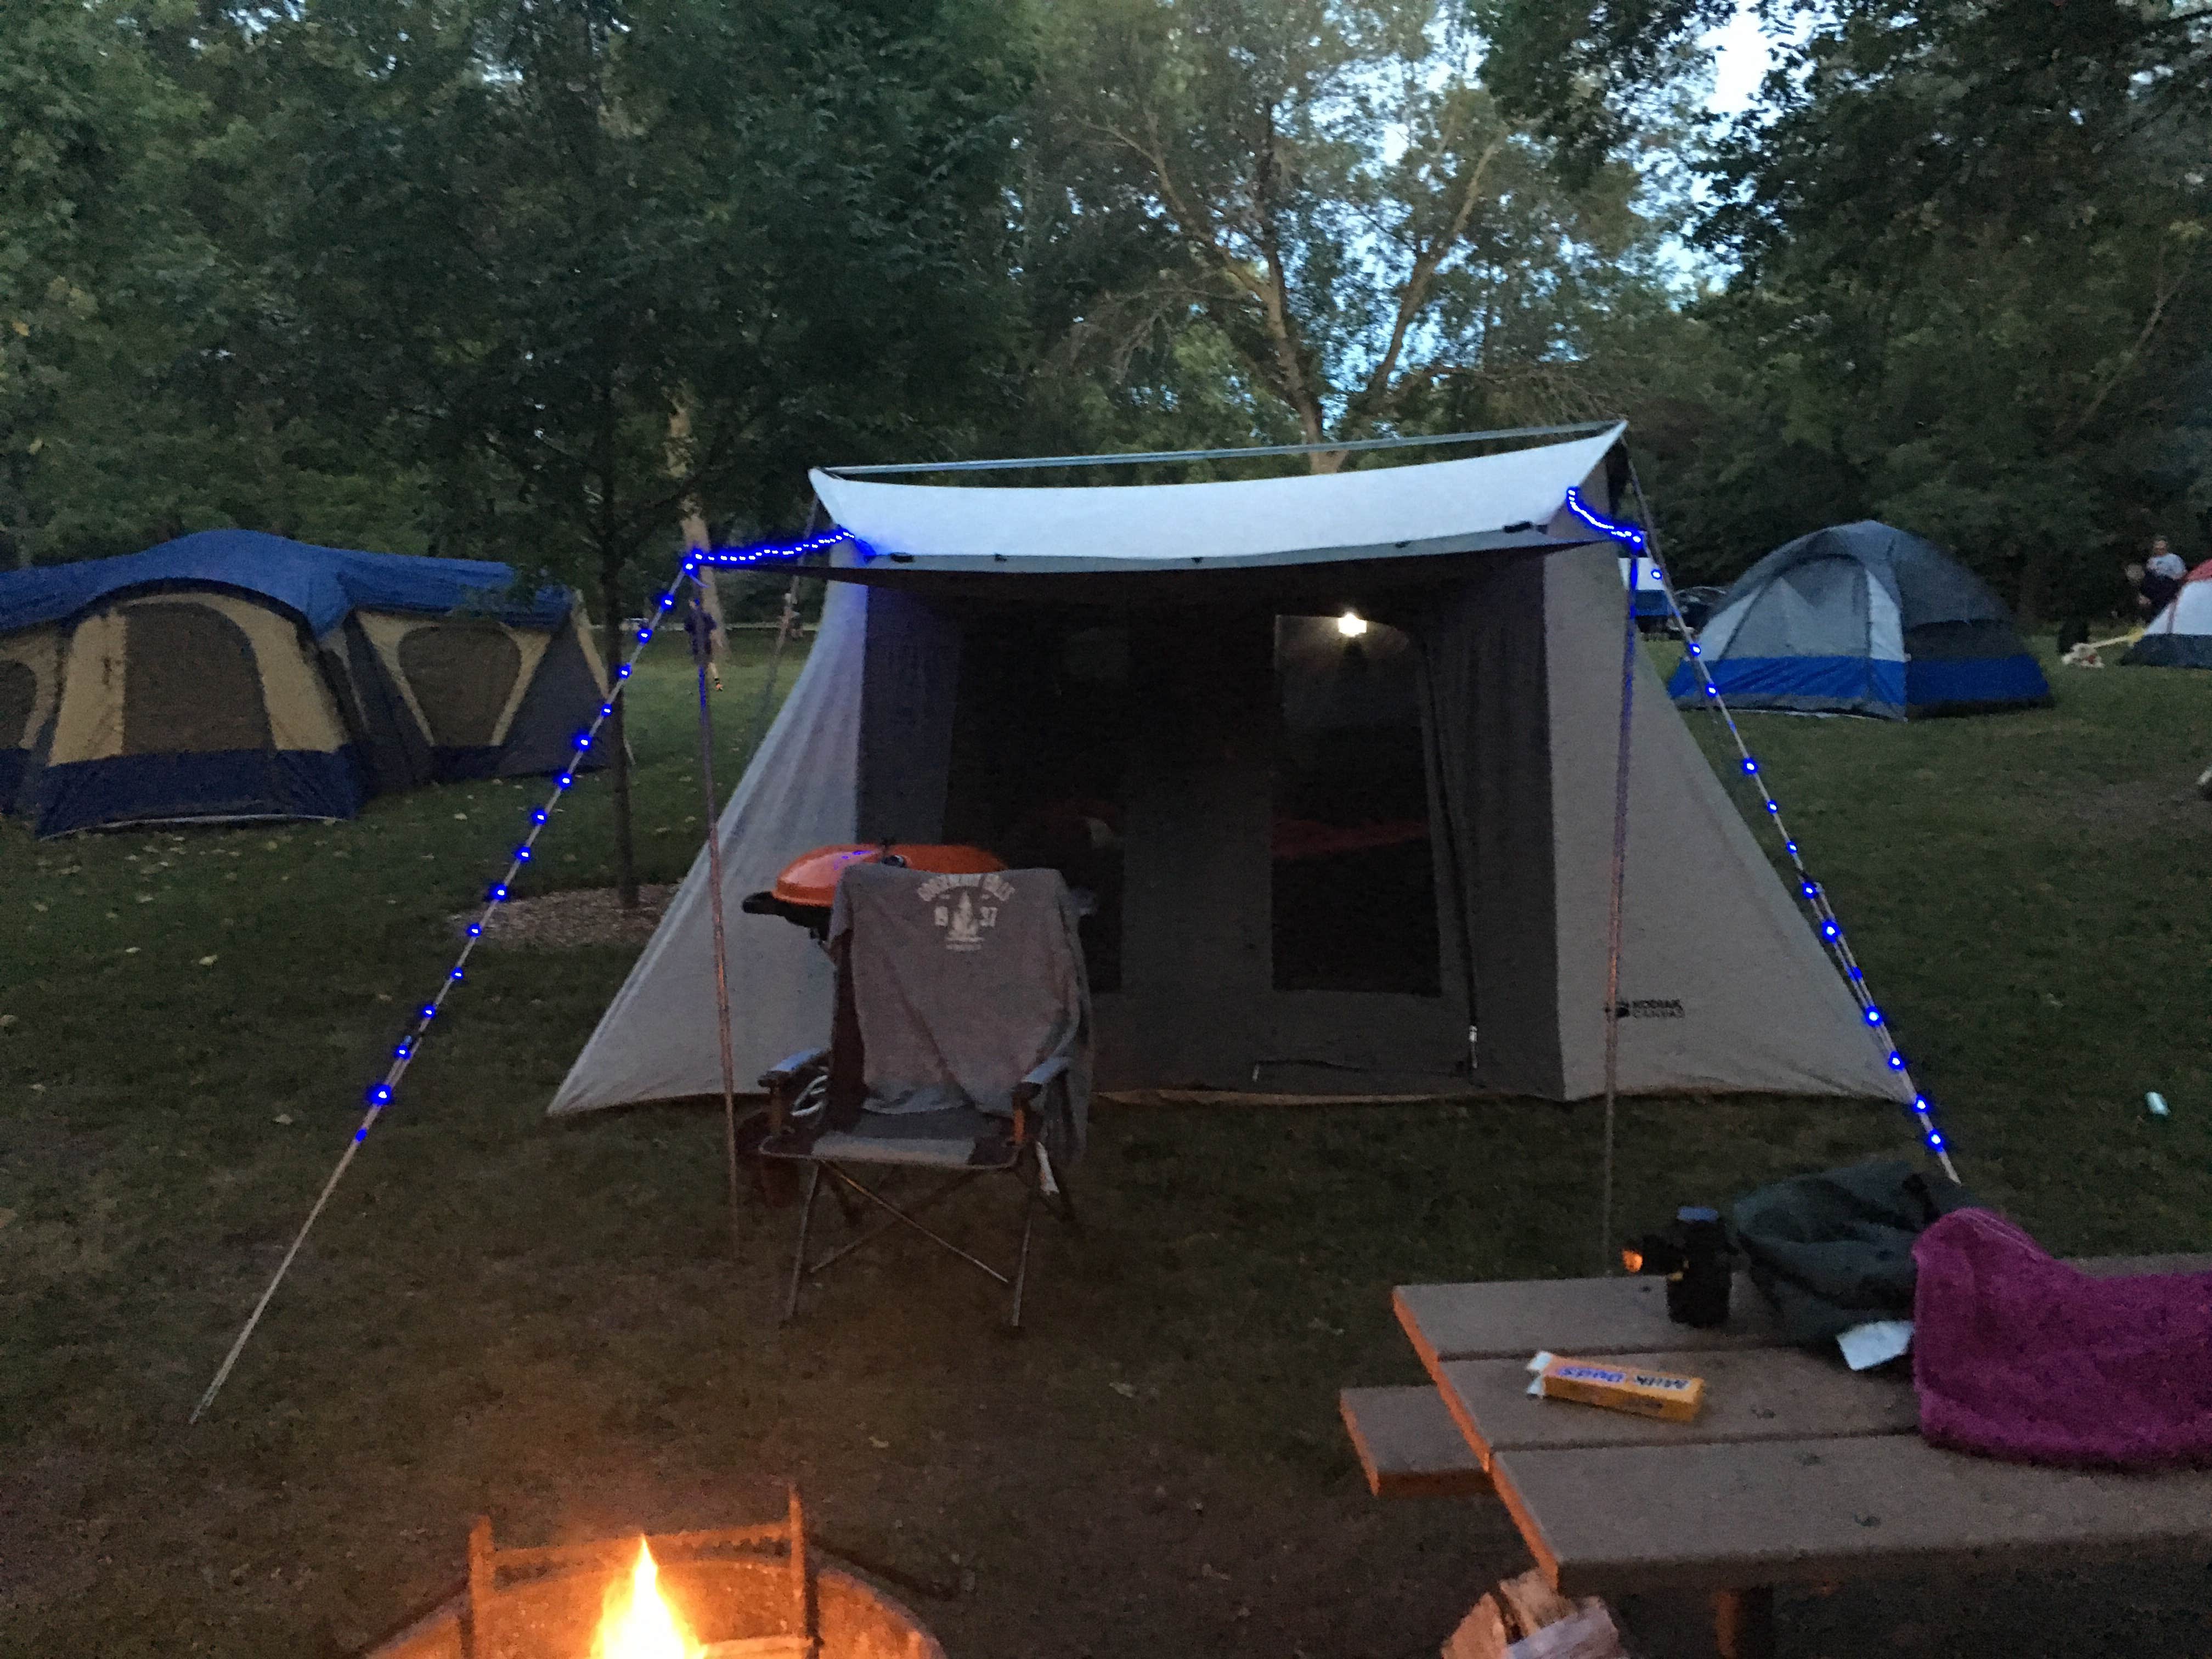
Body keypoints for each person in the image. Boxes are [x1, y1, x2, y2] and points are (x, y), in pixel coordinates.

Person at [2139, 537, 2187, 619]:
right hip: (2154, 583)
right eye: (2157, 548)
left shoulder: (2174, 558)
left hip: (2168, 583)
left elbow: (2181, 574)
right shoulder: (2152, 560)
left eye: (2162, 548)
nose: (2160, 550)